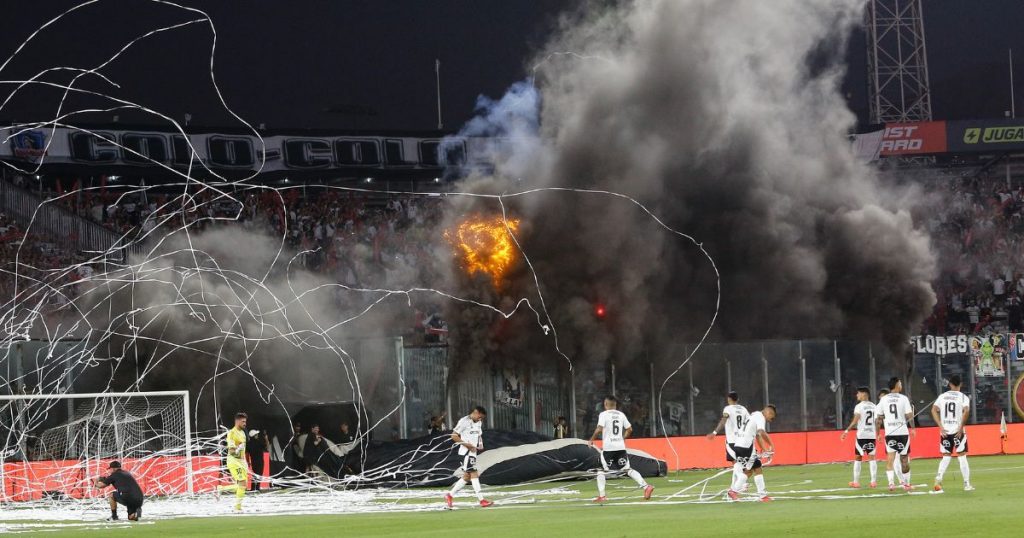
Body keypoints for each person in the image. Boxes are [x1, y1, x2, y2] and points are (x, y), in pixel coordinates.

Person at [589, 395, 654, 503]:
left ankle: (602, 496)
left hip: (609, 448)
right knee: (627, 469)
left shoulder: (603, 414)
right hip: (620, 447)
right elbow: (629, 429)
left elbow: (598, 429)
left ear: (605, 404)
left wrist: (591, 440)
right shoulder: (621, 415)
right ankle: (646, 487)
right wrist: (622, 438)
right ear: (615, 405)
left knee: (600, 470)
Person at [931, 375, 974, 491]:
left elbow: (933, 410)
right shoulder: (963, 397)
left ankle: (938, 478)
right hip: (957, 431)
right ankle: (966, 484)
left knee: (946, 456)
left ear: (950, 384)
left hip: (945, 431)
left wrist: (940, 426)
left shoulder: (942, 396)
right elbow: (966, 411)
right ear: (961, 384)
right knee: (962, 456)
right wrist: (961, 428)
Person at [727, 404, 777, 502]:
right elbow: (761, 432)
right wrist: (772, 445)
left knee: (753, 469)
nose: (770, 420)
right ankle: (736, 491)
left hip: (738, 446)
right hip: (746, 447)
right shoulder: (760, 417)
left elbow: (758, 435)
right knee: (754, 469)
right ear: (768, 412)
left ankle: (735, 491)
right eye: (772, 417)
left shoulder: (754, 415)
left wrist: (765, 449)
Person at [445, 406, 492, 508]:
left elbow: (478, 435)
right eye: (479, 417)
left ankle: (449, 495)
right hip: (465, 452)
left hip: (473, 453)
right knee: (474, 473)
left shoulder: (479, 422)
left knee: (466, 477)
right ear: (475, 412)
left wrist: (480, 444)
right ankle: (482, 500)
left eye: (482, 418)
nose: (480, 419)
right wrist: (467, 445)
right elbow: (454, 436)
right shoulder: (464, 421)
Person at [878, 378, 915, 492]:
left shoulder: (883, 399)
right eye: (900, 383)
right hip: (903, 433)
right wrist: (913, 428)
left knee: (890, 458)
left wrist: (878, 433)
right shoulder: (904, 398)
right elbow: (909, 415)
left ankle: (891, 483)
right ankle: (907, 484)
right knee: (904, 459)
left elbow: (879, 418)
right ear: (897, 385)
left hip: (890, 433)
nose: (901, 384)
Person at [840, 387, 878, 488]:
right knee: (872, 458)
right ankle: (873, 482)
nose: (857, 395)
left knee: (858, 458)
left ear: (864, 394)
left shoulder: (859, 406)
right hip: (872, 435)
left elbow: (855, 420)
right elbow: (877, 422)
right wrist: (877, 433)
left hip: (861, 435)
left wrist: (846, 431)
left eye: (858, 393)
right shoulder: (874, 406)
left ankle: (856, 482)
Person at [706, 391, 749, 465]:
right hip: (743, 439)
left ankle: (739, 476)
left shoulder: (728, 409)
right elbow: (749, 422)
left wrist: (714, 432)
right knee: (742, 463)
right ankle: (739, 476)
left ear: (729, 399)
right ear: (738, 399)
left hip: (732, 440)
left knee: (736, 463)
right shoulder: (743, 409)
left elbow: (723, 421)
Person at [217, 412, 248, 511]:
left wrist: (245, 461)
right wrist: (238, 449)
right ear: (237, 421)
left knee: (242, 486)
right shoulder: (231, 433)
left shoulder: (243, 433)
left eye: (245, 421)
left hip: (241, 461)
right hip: (234, 461)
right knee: (242, 484)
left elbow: (242, 450)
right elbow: (231, 451)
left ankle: (221, 489)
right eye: (243, 421)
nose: (245, 423)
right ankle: (238, 508)